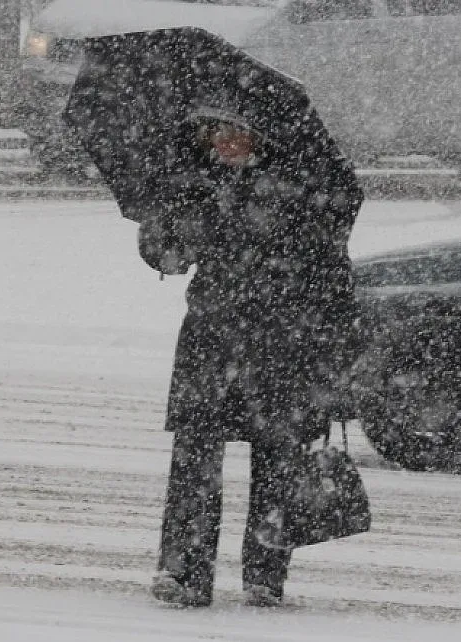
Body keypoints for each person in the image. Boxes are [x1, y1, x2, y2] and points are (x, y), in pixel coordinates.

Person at [139, 109, 363, 607]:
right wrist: (167, 234)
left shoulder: (298, 186)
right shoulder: (193, 181)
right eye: (216, 131)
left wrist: (333, 356)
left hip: (281, 343)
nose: (226, 141)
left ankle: (264, 574)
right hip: (211, 339)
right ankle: (183, 571)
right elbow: (162, 251)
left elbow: (332, 272)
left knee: (278, 457)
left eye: (237, 130)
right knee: (195, 456)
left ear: (261, 133)